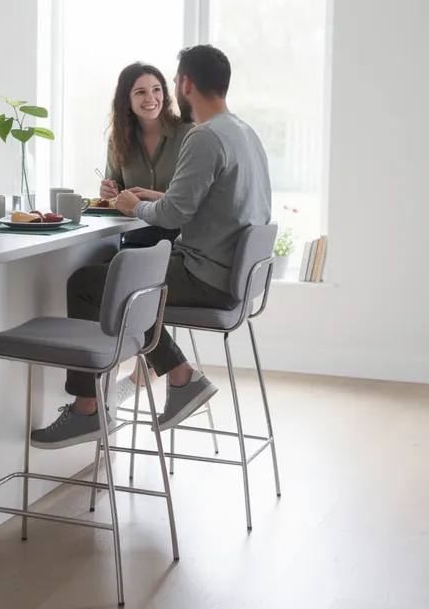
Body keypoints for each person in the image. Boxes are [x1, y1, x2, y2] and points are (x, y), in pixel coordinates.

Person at [31, 44, 272, 449]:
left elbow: (174, 214)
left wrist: (134, 203)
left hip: (208, 274)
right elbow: (197, 204)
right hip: (237, 275)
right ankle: (177, 377)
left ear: (184, 84)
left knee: (89, 282)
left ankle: (91, 407)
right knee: (126, 275)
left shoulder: (204, 137)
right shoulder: (244, 132)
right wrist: (144, 199)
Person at [100, 62, 195, 248]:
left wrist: (155, 198)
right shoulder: (118, 139)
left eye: (156, 90)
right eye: (140, 92)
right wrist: (109, 192)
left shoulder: (188, 134)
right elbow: (115, 193)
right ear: (126, 99)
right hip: (135, 239)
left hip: (181, 242)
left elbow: (194, 201)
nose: (151, 98)